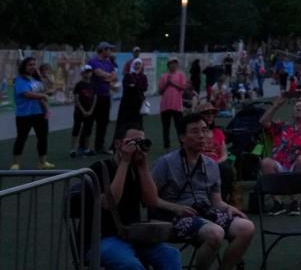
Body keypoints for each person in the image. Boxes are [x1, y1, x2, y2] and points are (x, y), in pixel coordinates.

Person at [151, 112, 255, 270]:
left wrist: (229, 208)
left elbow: (216, 201)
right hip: (173, 217)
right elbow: (149, 198)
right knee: (215, 233)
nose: (202, 136)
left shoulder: (212, 165)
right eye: (195, 131)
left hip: (204, 212)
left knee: (246, 227)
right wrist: (176, 208)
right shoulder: (165, 163)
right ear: (182, 137)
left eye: (205, 130)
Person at [85, 124, 184, 270]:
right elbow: (109, 203)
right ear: (118, 144)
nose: (137, 147)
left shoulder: (137, 169)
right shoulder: (100, 168)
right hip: (102, 238)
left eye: (140, 142)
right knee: (131, 266)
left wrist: (143, 167)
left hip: (133, 235)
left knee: (171, 256)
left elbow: (151, 200)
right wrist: (124, 162)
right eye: (132, 142)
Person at [259, 87, 301, 177]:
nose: (298, 108)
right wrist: (277, 104)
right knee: (266, 162)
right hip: (280, 165)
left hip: (299, 166)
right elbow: (263, 122)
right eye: (296, 106)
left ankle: (297, 189)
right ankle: (274, 189)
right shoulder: (282, 126)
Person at [9, 56, 53, 170]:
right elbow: (26, 94)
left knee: (43, 138)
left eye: (34, 64)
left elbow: (45, 91)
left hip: (40, 113)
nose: (33, 67)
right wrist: (43, 95)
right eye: (30, 64)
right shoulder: (20, 80)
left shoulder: (36, 80)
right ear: (24, 66)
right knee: (21, 138)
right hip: (24, 115)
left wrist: (48, 92)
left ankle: (42, 162)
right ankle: (15, 163)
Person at [88, 42, 120, 155]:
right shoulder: (93, 61)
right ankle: (85, 147)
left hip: (106, 96)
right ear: (103, 50)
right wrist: (108, 77)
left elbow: (114, 76)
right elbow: (99, 73)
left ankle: (99, 146)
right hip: (94, 96)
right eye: (108, 50)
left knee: (103, 122)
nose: (110, 52)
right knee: (90, 121)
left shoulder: (109, 62)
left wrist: (108, 77)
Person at [158, 57, 189, 150]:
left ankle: (182, 144)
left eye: (175, 63)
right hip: (165, 105)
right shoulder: (164, 76)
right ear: (168, 65)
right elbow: (160, 91)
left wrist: (173, 83)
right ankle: (166, 145)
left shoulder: (180, 75)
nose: (173, 65)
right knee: (166, 126)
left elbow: (183, 87)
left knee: (179, 126)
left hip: (177, 106)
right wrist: (167, 83)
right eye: (171, 63)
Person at [116, 47, 148, 136]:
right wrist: (134, 85)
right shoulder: (128, 68)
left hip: (138, 102)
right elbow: (127, 85)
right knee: (124, 121)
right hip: (127, 102)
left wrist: (134, 85)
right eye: (135, 52)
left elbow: (144, 87)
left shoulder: (142, 76)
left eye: (139, 64)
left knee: (137, 122)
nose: (137, 65)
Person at [71, 65, 98, 158]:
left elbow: (95, 98)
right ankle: (73, 149)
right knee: (76, 129)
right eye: (86, 72)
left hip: (90, 111)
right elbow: (77, 99)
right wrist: (83, 110)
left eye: (89, 72)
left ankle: (86, 149)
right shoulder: (79, 85)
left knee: (88, 130)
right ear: (82, 73)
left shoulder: (93, 84)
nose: (88, 74)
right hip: (79, 111)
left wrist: (91, 110)